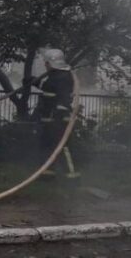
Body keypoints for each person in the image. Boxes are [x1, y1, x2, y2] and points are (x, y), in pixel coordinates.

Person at [30, 49, 80, 178]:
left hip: (59, 118)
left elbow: (53, 90)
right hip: (50, 118)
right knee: (46, 145)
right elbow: (50, 89)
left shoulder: (63, 76)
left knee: (63, 146)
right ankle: (48, 173)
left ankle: (72, 175)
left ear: (50, 63)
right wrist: (36, 82)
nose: (45, 65)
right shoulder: (57, 75)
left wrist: (36, 82)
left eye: (46, 63)